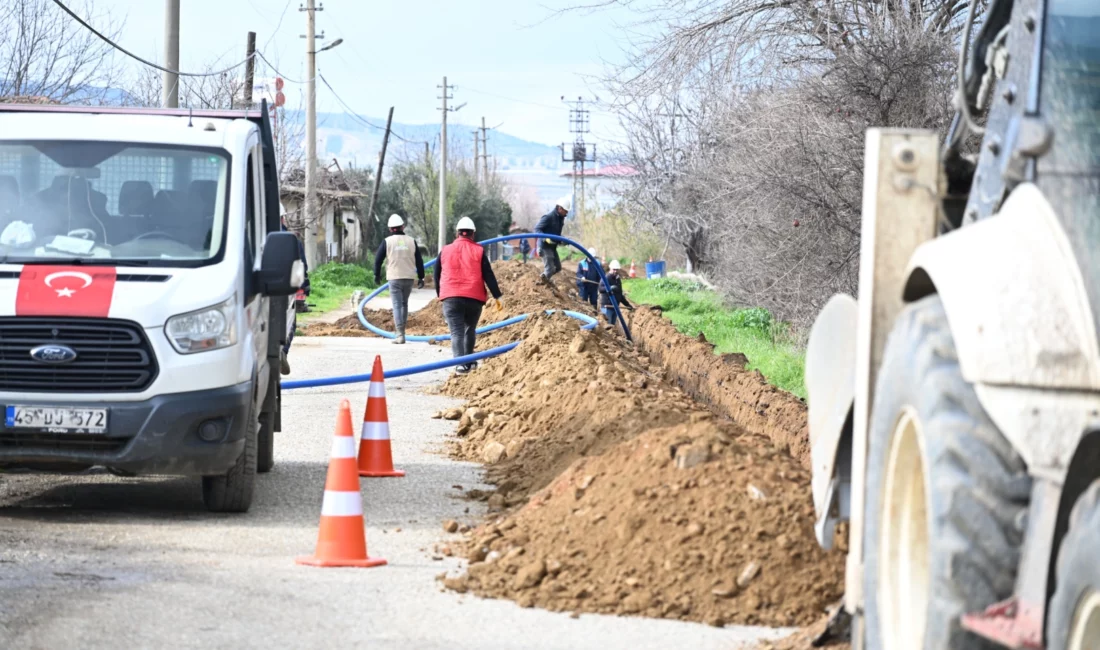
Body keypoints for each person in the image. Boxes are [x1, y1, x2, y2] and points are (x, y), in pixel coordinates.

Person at [436, 217, 503, 375]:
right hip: (474, 297)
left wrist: (441, 294)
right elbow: (489, 275)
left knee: (456, 332)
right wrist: (497, 297)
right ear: (473, 234)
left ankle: (460, 364)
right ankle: (469, 361)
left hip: (451, 297)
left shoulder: (445, 250)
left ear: (457, 233)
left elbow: (437, 273)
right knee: (469, 329)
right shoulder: (479, 251)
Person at [373, 214, 425, 344]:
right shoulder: (411, 241)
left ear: (390, 229)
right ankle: (402, 333)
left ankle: (400, 334)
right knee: (404, 304)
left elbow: (378, 260)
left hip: (394, 277)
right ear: (403, 226)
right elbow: (419, 260)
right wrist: (421, 277)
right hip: (408, 277)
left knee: (397, 305)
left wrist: (377, 275)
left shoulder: (387, 241)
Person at [281, 213, 309, 375]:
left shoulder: (254, 236)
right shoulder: (291, 240)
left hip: (258, 290)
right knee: (290, 323)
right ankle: (283, 352)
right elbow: (301, 265)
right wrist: (305, 286)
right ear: (283, 219)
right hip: (285, 290)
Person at [534, 196, 570, 284]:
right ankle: (541, 282)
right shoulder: (548, 217)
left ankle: (545, 278)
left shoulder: (560, 219)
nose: (567, 213)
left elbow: (556, 235)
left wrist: (562, 240)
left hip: (552, 247)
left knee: (558, 267)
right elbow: (537, 229)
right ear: (560, 208)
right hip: (544, 247)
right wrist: (545, 238)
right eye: (566, 211)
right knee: (550, 269)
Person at [598, 259, 634, 327]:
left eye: (617, 269)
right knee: (607, 326)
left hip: (615, 307)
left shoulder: (617, 279)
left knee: (613, 327)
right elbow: (600, 289)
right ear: (610, 268)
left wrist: (627, 305)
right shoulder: (606, 278)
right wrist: (609, 288)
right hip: (607, 307)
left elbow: (620, 295)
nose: (615, 271)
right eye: (614, 269)